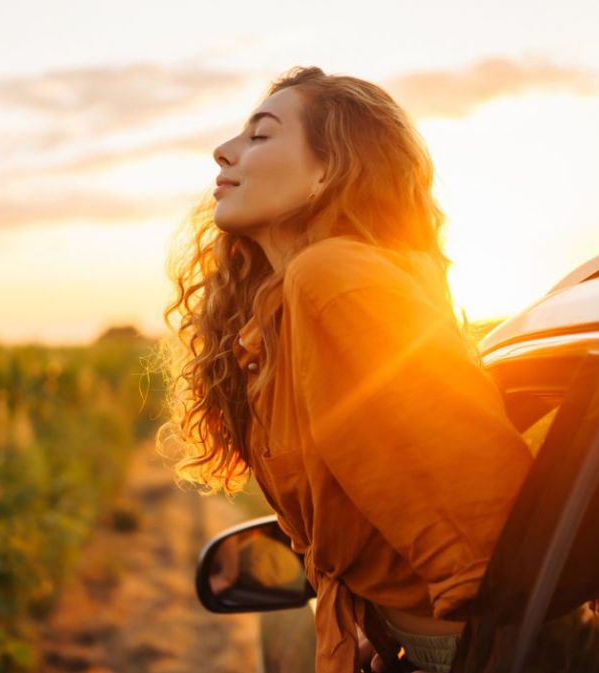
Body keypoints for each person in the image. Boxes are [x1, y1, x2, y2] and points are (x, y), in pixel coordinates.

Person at [157, 66, 533, 673]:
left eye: (260, 135)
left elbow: (484, 535)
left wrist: (441, 648)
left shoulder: (331, 278)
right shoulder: (284, 312)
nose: (222, 150)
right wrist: (377, 626)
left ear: (329, 170)